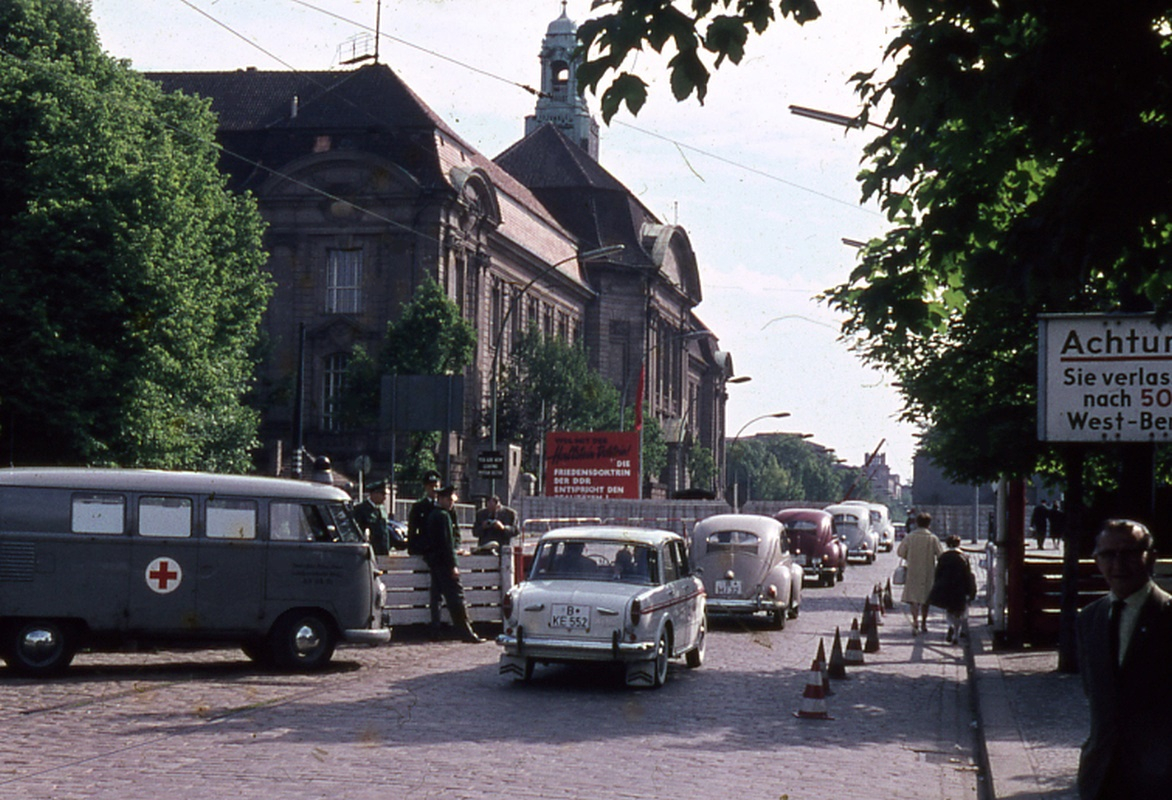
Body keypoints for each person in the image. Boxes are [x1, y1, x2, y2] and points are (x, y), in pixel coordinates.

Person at [1076, 519, 1172, 800]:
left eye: (1129, 553)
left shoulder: (1168, 616)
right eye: (1108, 554)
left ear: (1150, 556)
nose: (1118, 564)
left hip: (1161, 780)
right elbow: (1094, 694)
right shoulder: (1089, 619)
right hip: (1101, 777)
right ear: (1096, 559)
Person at [419, 485, 484, 643]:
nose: (451, 503)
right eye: (448, 500)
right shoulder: (443, 516)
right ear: (440, 499)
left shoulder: (433, 514)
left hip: (435, 561)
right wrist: (453, 564)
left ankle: (435, 630)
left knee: (436, 597)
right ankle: (465, 632)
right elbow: (447, 543)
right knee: (456, 597)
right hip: (444, 562)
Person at [897, 511, 944, 634]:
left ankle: (915, 621)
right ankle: (924, 622)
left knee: (914, 599)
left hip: (913, 571)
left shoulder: (910, 537)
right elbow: (940, 555)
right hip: (928, 572)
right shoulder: (933, 538)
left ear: (917, 523)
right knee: (925, 599)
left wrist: (909, 555)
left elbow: (900, 552)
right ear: (929, 524)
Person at [927, 535, 977, 644]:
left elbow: (938, 574)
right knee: (960, 611)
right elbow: (967, 575)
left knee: (949, 610)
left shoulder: (943, 557)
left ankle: (950, 626)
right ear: (959, 544)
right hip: (960, 588)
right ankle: (956, 632)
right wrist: (970, 591)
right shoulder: (964, 557)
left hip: (946, 587)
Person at [406, 470, 442, 555]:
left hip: (441, 551)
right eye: (431, 486)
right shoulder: (418, 507)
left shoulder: (445, 506)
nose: (434, 489)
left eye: (436, 486)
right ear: (425, 487)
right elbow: (412, 530)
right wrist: (412, 549)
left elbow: (455, 529)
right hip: (424, 550)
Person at [353, 479, 391, 555]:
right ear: (374, 494)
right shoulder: (361, 509)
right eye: (382, 494)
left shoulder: (382, 509)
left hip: (383, 551)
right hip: (369, 552)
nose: (384, 498)